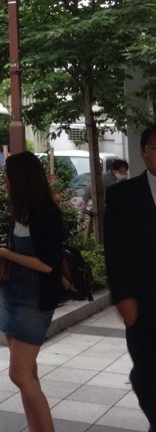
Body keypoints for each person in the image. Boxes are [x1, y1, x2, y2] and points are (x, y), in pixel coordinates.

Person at [0, 152, 65, 432]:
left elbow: (47, 265)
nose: (5, 182)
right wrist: (2, 254)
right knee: (28, 373)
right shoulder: (18, 212)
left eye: (9, 178)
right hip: (11, 295)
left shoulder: (47, 216)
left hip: (33, 299)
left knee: (18, 374)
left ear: (22, 180)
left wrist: (8, 253)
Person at [103, 126, 156, 429]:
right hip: (143, 302)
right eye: (155, 147)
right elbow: (116, 251)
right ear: (143, 152)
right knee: (146, 374)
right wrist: (123, 296)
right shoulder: (122, 195)